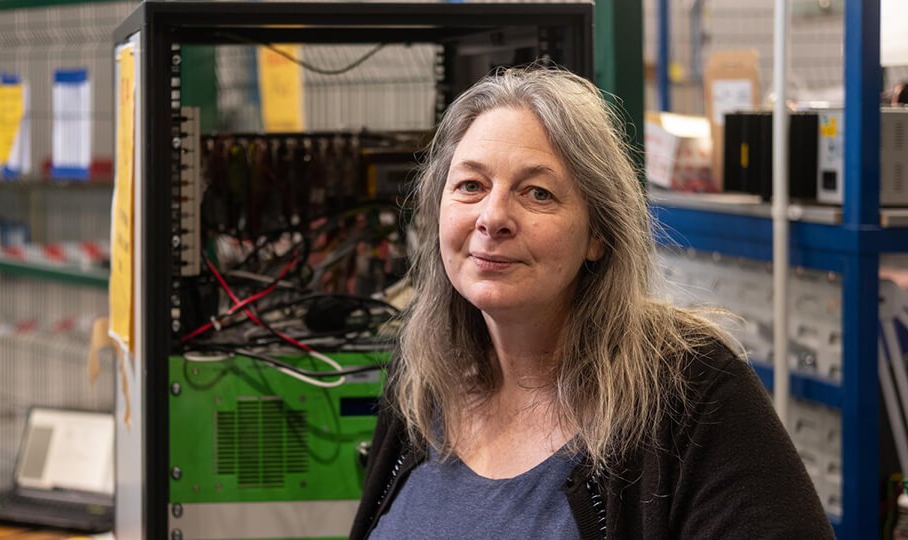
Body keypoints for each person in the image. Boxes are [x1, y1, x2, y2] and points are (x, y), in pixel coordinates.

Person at [350, 66, 833, 539]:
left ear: (598, 235)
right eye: (470, 186)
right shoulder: (421, 378)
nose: (492, 218)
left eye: (537, 193)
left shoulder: (690, 392)